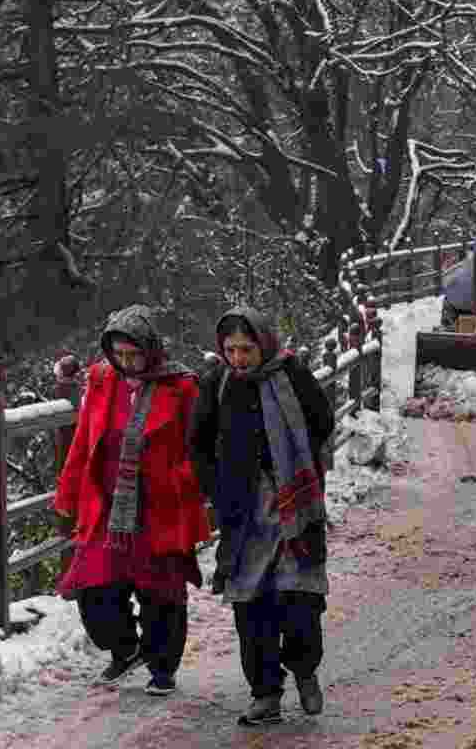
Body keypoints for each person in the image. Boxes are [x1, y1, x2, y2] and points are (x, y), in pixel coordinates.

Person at [189, 306, 335, 726]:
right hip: (245, 515)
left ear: (264, 344)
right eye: (230, 349)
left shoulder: (292, 375)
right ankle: (265, 694)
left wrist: (299, 470)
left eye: (246, 349)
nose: (238, 358)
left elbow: (322, 421)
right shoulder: (217, 384)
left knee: (300, 603)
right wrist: (217, 487)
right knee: (251, 610)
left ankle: (304, 669)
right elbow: (197, 441)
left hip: (295, 511)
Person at [54, 305, 210, 695]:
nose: (126, 364)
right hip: (107, 509)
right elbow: (84, 440)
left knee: (162, 594)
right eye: (118, 355)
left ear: (151, 349)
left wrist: (182, 480)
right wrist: (70, 489)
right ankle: (124, 649)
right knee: (92, 591)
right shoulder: (103, 381)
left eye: (134, 355)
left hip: (160, 507)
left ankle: (162, 666)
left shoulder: (182, 387)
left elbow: (203, 448)